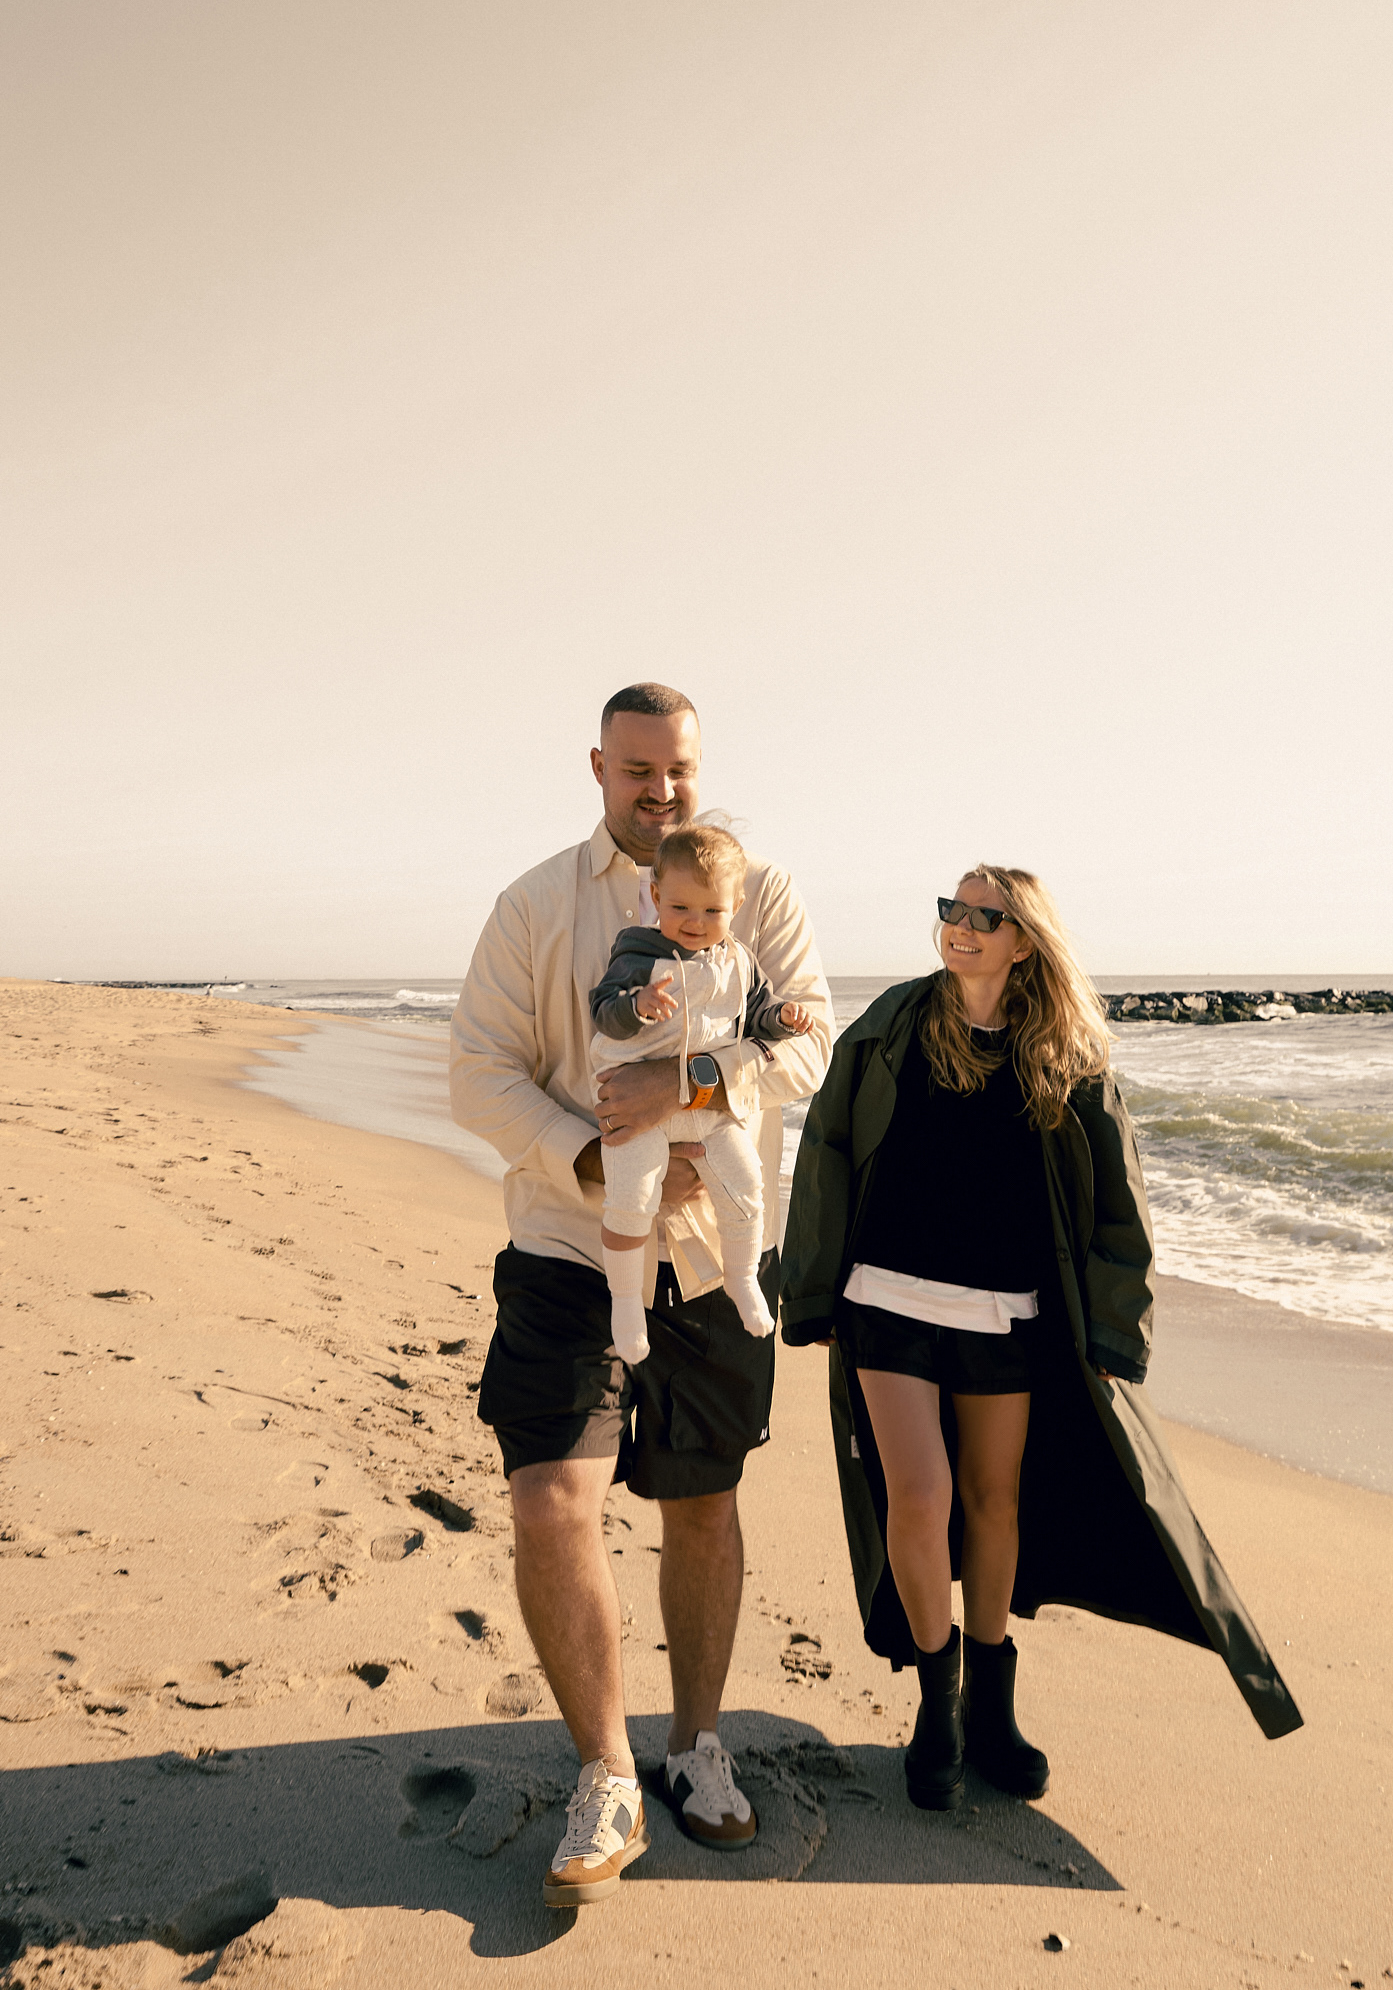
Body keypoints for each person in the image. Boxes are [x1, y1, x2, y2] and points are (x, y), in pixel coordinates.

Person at [781, 865, 1301, 1812]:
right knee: (920, 1496)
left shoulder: (1064, 1052)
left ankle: (992, 1706)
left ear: (1023, 941)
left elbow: (1118, 1197)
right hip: (885, 1299)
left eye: (983, 916)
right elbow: (827, 1148)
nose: (959, 926)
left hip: (1003, 1311)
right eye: (951, 909)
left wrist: (1119, 1326)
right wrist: (809, 1292)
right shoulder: (894, 1022)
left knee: (994, 1502)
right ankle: (938, 1708)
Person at [450, 683, 832, 1906]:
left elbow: (811, 1043)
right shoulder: (535, 905)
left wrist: (695, 1091)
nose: (661, 790)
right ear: (598, 767)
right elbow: (478, 1072)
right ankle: (607, 1770)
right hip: (570, 1241)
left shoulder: (759, 893)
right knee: (551, 1496)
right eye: (638, 770)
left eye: (679, 769)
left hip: (715, 1256)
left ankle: (696, 1744)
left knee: (704, 1504)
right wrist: (589, 1153)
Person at [590, 820, 815, 1368]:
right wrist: (637, 1005)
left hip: (707, 1108)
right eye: (681, 908)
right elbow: (603, 1010)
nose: (695, 922)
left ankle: (741, 1277)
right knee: (631, 1202)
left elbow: (756, 1012)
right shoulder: (637, 952)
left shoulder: (738, 959)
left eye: (712, 910)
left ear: (736, 905)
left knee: (746, 1187)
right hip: (636, 1107)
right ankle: (625, 1302)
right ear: (655, 896)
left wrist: (783, 1018)